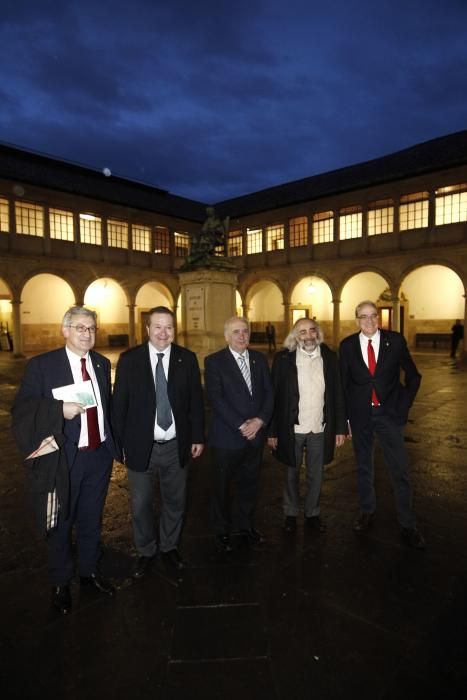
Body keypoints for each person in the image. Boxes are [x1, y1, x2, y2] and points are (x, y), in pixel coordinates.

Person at [11, 306, 117, 614]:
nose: (88, 334)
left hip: (98, 456)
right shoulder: (42, 366)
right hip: (63, 458)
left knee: (91, 518)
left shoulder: (100, 362)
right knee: (60, 521)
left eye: (92, 329)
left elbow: (105, 409)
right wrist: (59, 410)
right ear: (65, 330)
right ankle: (60, 581)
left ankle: (88, 572)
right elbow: (23, 410)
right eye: (81, 328)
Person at [112, 306, 204, 579]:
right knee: (140, 504)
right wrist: (120, 446)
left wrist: (198, 436)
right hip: (143, 447)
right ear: (148, 329)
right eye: (158, 327)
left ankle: (169, 546)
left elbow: (195, 403)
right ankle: (145, 550)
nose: (164, 333)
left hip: (177, 446)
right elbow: (120, 406)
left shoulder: (186, 359)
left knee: (175, 501)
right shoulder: (130, 360)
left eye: (169, 327)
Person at [339, 300, 425, 549]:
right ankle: (367, 512)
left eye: (373, 316)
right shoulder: (347, 346)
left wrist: (404, 403)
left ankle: (408, 524)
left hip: (390, 416)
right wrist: (345, 420)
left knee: (399, 471)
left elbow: (413, 374)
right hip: (361, 417)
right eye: (363, 316)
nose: (369, 320)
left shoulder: (395, 341)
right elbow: (343, 386)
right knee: (364, 467)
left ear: (379, 318)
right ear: (356, 320)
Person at [268, 318, 347, 534]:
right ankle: (290, 514)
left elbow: (338, 394)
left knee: (316, 474)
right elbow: (273, 397)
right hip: (291, 428)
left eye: (312, 330)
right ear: (295, 336)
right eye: (302, 332)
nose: (308, 336)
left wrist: (340, 427)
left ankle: (312, 513)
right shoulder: (283, 359)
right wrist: (272, 431)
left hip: (319, 428)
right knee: (290, 473)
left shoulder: (330, 358)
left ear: (318, 333)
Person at [204, 316, 274, 552]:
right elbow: (215, 398)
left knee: (249, 484)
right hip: (227, 438)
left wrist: (260, 420)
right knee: (221, 487)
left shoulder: (259, 359)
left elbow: (269, 393)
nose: (242, 336)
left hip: (255, 437)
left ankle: (245, 527)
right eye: (236, 332)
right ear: (226, 336)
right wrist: (242, 425)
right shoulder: (214, 362)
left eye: (245, 331)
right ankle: (221, 530)